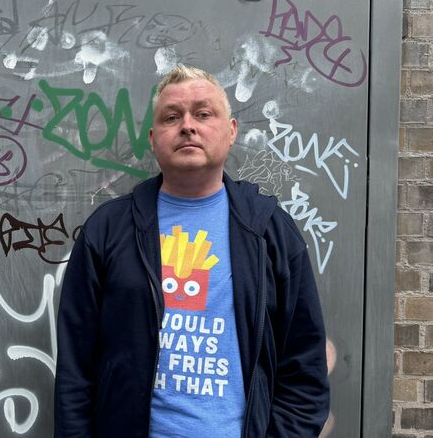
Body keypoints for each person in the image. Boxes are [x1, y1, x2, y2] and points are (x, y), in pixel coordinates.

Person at [54, 65, 329, 437]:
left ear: (231, 132)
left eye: (203, 113)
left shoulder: (269, 232)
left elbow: (304, 371)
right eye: (172, 117)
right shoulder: (108, 231)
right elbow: (76, 372)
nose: (187, 125)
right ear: (153, 138)